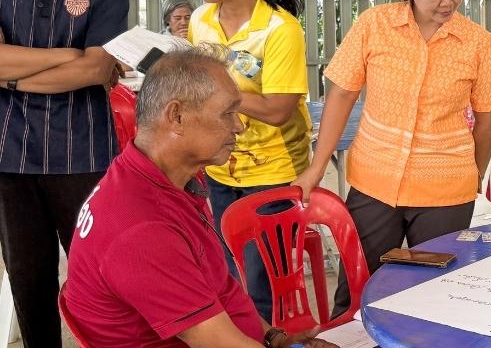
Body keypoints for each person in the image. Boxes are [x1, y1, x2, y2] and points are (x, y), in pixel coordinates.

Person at [63, 48, 335, 348]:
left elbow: (218, 286)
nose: (239, 126)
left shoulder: (154, 177)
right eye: (228, 113)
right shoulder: (143, 228)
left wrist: (274, 337)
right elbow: (219, 342)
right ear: (177, 116)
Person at [293, 0, 491, 315]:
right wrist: (315, 168)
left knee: (436, 294)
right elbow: (340, 95)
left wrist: (473, 174)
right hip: (374, 180)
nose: (448, 1)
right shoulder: (374, 25)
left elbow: (488, 116)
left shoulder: (476, 42)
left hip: (445, 187)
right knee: (358, 289)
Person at [0, 0, 128, 347]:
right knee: (28, 280)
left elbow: (96, 69)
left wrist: (12, 72)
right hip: (9, 158)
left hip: (84, 154)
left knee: (100, 273)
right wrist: (65, 55)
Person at [186, 0, 312, 321]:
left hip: (274, 171)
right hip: (222, 165)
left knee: (263, 282)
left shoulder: (280, 29)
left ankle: (267, 337)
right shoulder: (200, 20)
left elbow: (278, 110)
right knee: (229, 274)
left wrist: (223, 94)